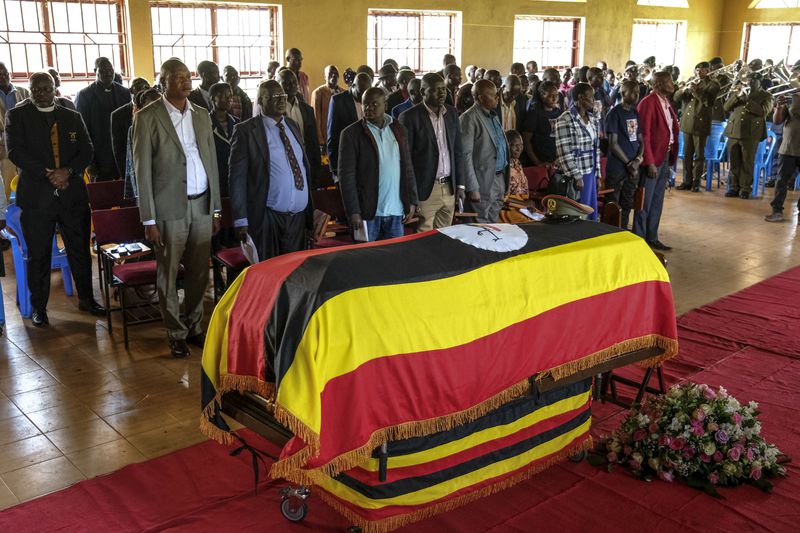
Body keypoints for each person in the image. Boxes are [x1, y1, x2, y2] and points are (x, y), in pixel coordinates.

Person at [133, 58, 222, 358]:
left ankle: (195, 325)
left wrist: (216, 209)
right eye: (178, 77)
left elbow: (211, 162)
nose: (186, 82)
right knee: (168, 273)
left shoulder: (200, 115)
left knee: (199, 272)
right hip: (169, 208)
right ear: (163, 82)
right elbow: (141, 172)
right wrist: (149, 218)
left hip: (201, 204)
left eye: (188, 76)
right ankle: (175, 331)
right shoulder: (147, 117)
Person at [5, 72, 105, 326]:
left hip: (72, 195)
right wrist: (47, 173)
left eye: (45, 88)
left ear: (53, 89)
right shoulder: (17, 116)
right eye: (35, 89)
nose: (40, 93)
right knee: (38, 255)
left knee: (80, 249)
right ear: (30, 91)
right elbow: (15, 151)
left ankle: (87, 299)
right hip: (37, 198)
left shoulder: (71, 115)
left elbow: (87, 149)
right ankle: (40, 307)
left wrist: (68, 172)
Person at [229, 79, 313, 262]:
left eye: (282, 95)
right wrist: (241, 220)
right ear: (260, 100)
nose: (281, 100)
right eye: (274, 97)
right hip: (267, 217)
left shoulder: (292, 126)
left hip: (297, 219)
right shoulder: (246, 131)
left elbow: (301, 167)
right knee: (270, 272)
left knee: (294, 273)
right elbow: (237, 178)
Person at [338, 87, 418, 241]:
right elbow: (346, 177)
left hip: (396, 209)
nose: (368, 108)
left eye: (374, 104)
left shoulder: (399, 129)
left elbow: (407, 168)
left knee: (394, 260)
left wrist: (412, 201)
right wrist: (353, 211)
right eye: (365, 104)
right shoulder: (351, 134)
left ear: (385, 106)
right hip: (367, 213)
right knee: (366, 260)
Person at [399, 73, 464, 231]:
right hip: (426, 188)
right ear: (423, 92)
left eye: (443, 89)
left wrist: (460, 186)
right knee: (424, 238)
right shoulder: (409, 117)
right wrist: (412, 196)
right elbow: (406, 160)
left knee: (445, 236)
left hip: (449, 187)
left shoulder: (452, 113)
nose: (442, 94)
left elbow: (458, 151)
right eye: (435, 90)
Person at [635, 72, 678, 250]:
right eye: (669, 81)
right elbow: (644, 135)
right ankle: (640, 239)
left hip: (664, 156)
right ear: (659, 84)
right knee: (645, 201)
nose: (673, 84)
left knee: (657, 200)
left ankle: (652, 236)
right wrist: (649, 161)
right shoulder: (648, 103)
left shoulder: (666, 102)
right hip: (652, 159)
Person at [460, 79, 508, 223]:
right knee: (479, 226)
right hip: (482, 181)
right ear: (481, 98)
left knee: (493, 225)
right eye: (493, 95)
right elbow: (465, 155)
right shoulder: (468, 118)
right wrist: (472, 187)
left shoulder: (493, 116)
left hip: (498, 178)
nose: (497, 98)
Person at [74, 57, 129, 181]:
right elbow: (82, 130)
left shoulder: (124, 93)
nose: (108, 73)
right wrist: (90, 161)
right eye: (103, 70)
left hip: (123, 155)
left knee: (125, 197)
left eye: (110, 69)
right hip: (99, 158)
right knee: (103, 196)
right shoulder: (85, 95)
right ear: (95, 71)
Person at [555, 83, 602, 220]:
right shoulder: (565, 119)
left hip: (590, 172)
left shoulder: (593, 119)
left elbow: (596, 148)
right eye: (591, 97)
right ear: (581, 98)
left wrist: (598, 174)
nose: (594, 101)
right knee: (578, 213)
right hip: (576, 175)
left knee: (590, 210)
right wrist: (576, 176)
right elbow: (564, 152)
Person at [723, 73, 773, 199]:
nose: (749, 82)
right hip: (734, 131)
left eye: (752, 80)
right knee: (734, 162)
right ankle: (733, 187)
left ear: (759, 82)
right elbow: (726, 107)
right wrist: (736, 96)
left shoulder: (767, 96)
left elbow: (763, 111)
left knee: (747, 162)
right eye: (748, 80)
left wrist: (747, 101)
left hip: (751, 134)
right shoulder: (739, 92)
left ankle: (745, 189)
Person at [674, 62, 720, 192]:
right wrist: (683, 89)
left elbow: (708, 101)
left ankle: (695, 181)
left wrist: (695, 90)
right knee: (687, 155)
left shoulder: (713, 84)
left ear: (708, 71)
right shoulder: (691, 81)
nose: (698, 73)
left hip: (701, 124)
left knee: (699, 156)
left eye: (702, 70)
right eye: (697, 70)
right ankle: (686, 180)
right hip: (687, 123)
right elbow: (676, 97)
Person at [605, 80, 644, 229]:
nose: (636, 95)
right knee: (613, 205)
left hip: (633, 167)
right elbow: (613, 144)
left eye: (638, 92)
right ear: (623, 94)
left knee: (627, 203)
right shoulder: (614, 113)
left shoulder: (634, 112)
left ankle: (623, 232)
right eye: (633, 92)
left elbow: (641, 140)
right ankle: (611, 233)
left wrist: (638, 160)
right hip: (618, 167)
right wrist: (629, 163)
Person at [277, 68, 320, 187]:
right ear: (278, 85)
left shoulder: (307, 110)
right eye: (286, 83)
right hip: (283, 167)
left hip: (305, 163)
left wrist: (316, 170)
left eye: (294, 82)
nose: (291, 86)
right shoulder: (275, 112)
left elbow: (313, 142)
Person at [327, 72, 372, 176]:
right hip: (347, 161)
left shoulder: (370, 100)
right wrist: (335, 171)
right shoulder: (338, 101)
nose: (364, 96)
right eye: (361, 92)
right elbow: (332, 138)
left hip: (367, 163)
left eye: (367, 92)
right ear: (353, 86)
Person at [766, 94, 800, 222]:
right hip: (788, 148)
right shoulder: (791, 98)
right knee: (781, 181)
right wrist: (779, 107)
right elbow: (777, 121)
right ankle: (777, 211)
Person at [0, 62, 31, 200]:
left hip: (26, 148)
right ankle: (7, 219)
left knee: (29, 186)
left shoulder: (24, 92)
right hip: (4, 151)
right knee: (6, 189)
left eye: (5, 73)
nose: (3, 77)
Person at [123, 88, 161, 199]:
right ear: (143, 108)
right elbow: (133, 162)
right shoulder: (135, 128)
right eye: (151, 106)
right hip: (146, 182)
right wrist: (138, 192)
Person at [110, 77, 151, 179]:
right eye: (138, 89)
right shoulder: (118, 115)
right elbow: (118, 148)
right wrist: (124, 174)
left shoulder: (154, 110)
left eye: (146, 89)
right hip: (130, 166)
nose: (142, 92)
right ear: (131, 90)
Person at [522, 80, 561, 167]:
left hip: (556, 161)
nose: (555, 99)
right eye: (551, 96)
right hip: (540, 162)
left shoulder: (558, 112)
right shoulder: (534, 114)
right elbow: (526, 141)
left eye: (556, 95)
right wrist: (537, 162)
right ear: (542, 96)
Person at [499, 130, 533, 224]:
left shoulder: (517, 163)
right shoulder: (501, 166)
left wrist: (528, 202)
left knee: (542, 217)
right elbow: (500, 197)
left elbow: (523, 189)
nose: (519, 149)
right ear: (506, 145)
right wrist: (523, 204)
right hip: (506, 209)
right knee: (530, 224)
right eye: (515, 145)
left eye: (521, 145)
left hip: (522, 207)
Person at [311, 65, 343, 146]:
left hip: (341, 136)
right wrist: (320, 141)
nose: (334, 75)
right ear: (325, 76)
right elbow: (316, 118)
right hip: (326, 137)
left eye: (336, 73)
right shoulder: (318, 93)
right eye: (331, 73)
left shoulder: (343, 93)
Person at [709, 57, 729, 123]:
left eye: (712, 66)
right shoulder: (712, 77)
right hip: (709, 111)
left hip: (717, 112)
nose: (710, 69)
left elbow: (717, 94)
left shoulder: (724, 77)